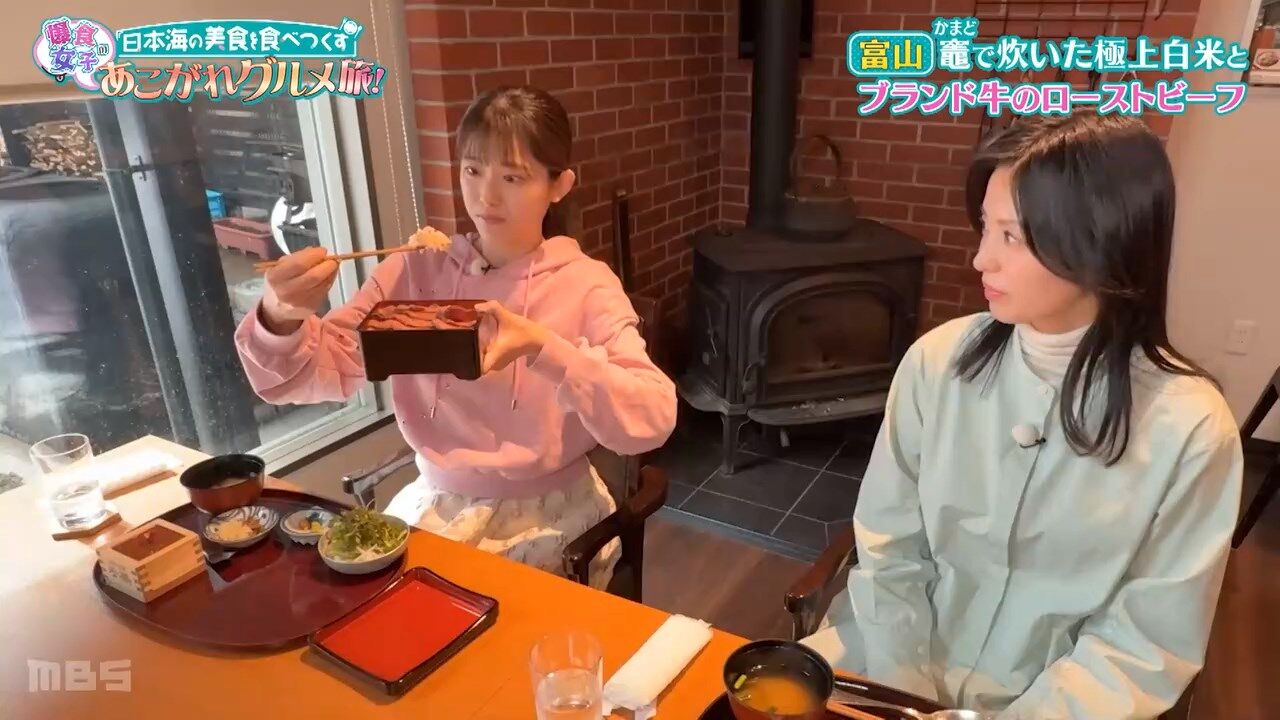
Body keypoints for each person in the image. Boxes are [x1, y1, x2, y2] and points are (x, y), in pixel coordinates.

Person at [802, 112, 1242, 719]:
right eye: (985, 228)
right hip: (882, 662)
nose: (981, 259)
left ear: (1102, 240)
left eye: (1012, 236)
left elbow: (1143, 643)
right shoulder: (937, 362)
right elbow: (889, 546)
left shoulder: (1190, 429)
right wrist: (906, 695)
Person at [234, 86, 676, 589]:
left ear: (559, 185)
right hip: (437, 506)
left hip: (550, 516)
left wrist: (544, 348)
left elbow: (653, 416)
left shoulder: (587, 284)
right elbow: (316, 371)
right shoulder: (417, 272)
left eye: (512, 177)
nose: (486, 197)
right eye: (472, 170)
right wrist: (282, 313)